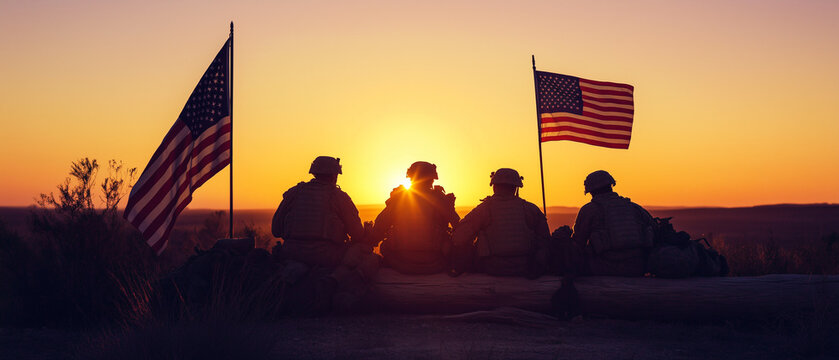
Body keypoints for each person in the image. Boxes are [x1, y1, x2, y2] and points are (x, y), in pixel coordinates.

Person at [271, 156, 379, 312]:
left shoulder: (294, 193)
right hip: (326, 255)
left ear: (314, 172)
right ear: (335, 175)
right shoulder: (339, 197)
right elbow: (357, 235)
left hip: (292, 253)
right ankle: (334, 281)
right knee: (362, 250)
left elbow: (276, 230)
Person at [450, 168, 550, 278]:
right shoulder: (530, 209)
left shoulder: (484, 209)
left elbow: (458, 238)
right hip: (523, 267)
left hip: (492, 267)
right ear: (515, 188)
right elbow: (545, 239)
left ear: (494, 186)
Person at [371, 161, 460, 275]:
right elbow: (459, 227)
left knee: (384, 246)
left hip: (400, 263)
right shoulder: (440, 199)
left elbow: (379, 227)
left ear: (411, 178)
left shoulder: (400, 198)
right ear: (431, 179)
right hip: (434, 263)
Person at [563, 170, 654, 277]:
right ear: (611, 185)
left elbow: (578, 242)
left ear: (591, 191)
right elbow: (653, 231)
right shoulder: (635, 208)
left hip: (604, 267)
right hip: (637, 266)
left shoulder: (589, 210)